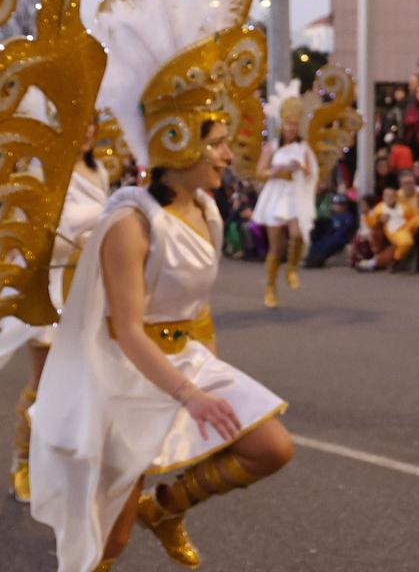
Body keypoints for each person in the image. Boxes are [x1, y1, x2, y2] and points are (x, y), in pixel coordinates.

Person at [31, 118, 292, 572]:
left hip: (184, 356)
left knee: (271, 446)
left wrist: (210, 369)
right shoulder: (130, 225)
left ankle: (166, 508)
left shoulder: (207, 211)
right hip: (121, 375)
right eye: (218, 145)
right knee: (112, 536)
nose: (228, 156)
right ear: (179, 146)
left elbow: (197, 308)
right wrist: (191, 396)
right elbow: (129, 332)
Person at [0, 122, 109, 501]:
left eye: (91, 124)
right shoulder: (42, 172)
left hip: (87, 289)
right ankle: (20, 462)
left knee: (84, 384)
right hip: (49, 289)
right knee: (42, 384)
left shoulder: (100, 171)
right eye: (78, 121)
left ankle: (62, 463)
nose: (84, 131)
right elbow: (34, 238)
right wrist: (79, 244)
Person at [251, 92, 316, 309]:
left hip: (294, 194)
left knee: (297, 234)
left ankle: (292, 267)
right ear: (282, 125)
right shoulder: (272, 147)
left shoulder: (303, 147)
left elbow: (311, 172)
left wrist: (302, 168)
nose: (292, 129)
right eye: (289, 124)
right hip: (275, 195)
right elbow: (259, 172)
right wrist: (275, 171)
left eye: (295, 125)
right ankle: (270, 287)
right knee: (275, 247)